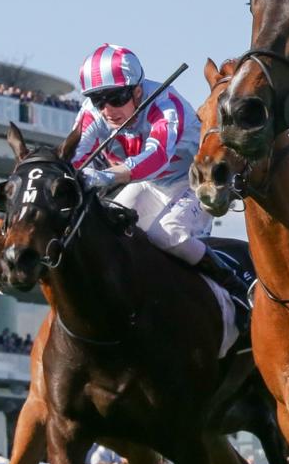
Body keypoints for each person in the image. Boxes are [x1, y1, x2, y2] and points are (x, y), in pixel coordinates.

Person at [70, 44, 247, 298]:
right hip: (149, 184)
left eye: (116, 98)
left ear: (138, 91)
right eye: (98, 100)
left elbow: (157, 156)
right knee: (107, 226)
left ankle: (232, 284)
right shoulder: (92, 113)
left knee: (167, 234)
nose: (108, 109)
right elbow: (74, 156)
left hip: (191, 182)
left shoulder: (165, 103)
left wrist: (105, 176)